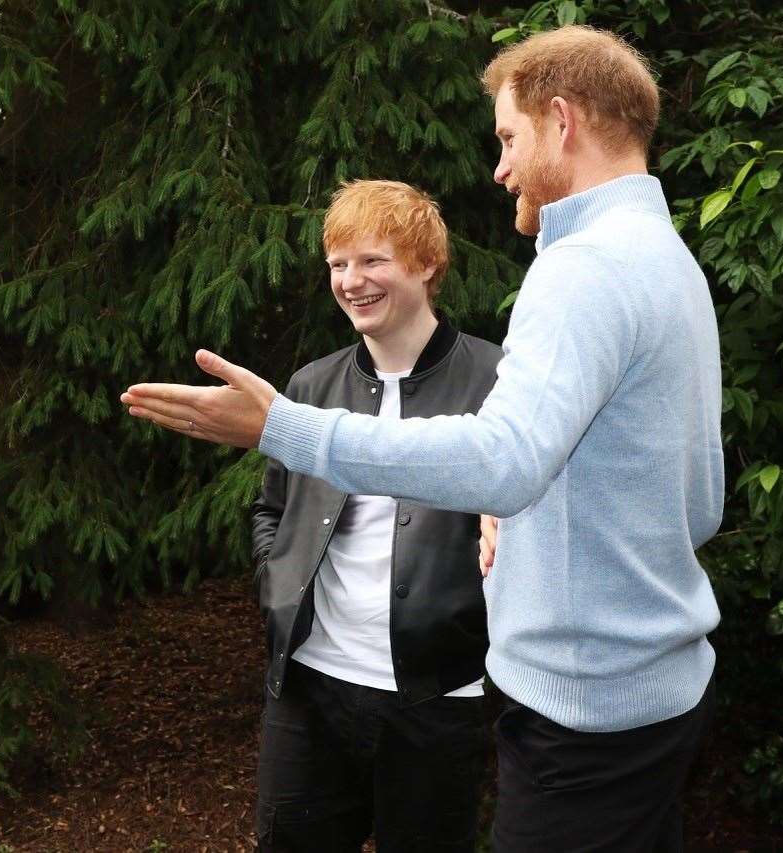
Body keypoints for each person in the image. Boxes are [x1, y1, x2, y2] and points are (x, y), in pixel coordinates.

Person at [122, 25, 721, 852]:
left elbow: (503, 462)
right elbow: (696, 497)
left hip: (583, 718)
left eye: (509, 138)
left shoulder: (582, 267)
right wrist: (528, 512)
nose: (501, 166)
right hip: (652, 702)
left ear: (562, 121)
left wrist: (284, 428)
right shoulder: (669, 262)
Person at [251, 180, 500, 852]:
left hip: (438, 698)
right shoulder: (311, 385)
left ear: (425, 264)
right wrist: (277, 580)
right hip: (309, 688)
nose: (351, 281)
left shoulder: (498, 381)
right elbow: (272, 506)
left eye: (372, 261)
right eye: (338, 264)